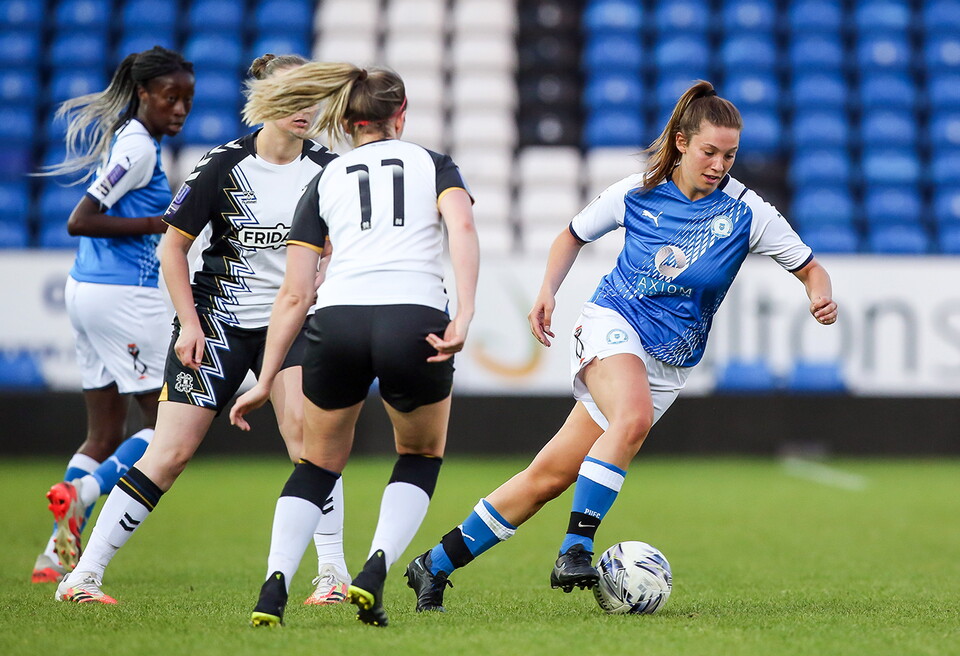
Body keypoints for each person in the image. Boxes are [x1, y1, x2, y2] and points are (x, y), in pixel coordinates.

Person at [403, 79, 839, 613]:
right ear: (681, 142)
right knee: (629, 419)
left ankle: (435, 563)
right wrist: (547, 291)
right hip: (612, 323)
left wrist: (821, 297)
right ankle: (576, 548)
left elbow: (809, 266)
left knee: (550, 476)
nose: (720, 164)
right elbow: (571, 235)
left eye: (729, 155)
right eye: (709, 152)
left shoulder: (749, 213)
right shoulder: (636, 191)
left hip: (668, 363)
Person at [54, 54, 350, 605]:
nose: (305, 108)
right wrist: (189, 324)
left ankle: (331, 576)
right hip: (217, 322)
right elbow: (173, 247)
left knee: (310, 443)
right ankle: (82, 577)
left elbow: (340, 246)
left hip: (293, 324)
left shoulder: (329, 170)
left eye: (312, 96)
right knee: (167, 454)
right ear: (264, 101)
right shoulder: (222, 165)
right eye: (292, 96)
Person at [226, 62, 479, 628]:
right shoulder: (432, 164)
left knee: (316, 463)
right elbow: (461, 228)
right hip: (412, 319)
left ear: (346, 119)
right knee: (418, 454)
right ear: (401, 115)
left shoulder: (324, 178)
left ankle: (273, 588)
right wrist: (463, 313)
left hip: (335, 321)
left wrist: (265, 379)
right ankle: (374, 570)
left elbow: (294, 293)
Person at [31, 46, 195, 584]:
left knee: (103, 432)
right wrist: (157, 225)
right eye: (170, 97)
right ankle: (83, 493)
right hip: (125, 296)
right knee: (166, 424)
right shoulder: (139, 150)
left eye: (188, 100)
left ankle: (55, 555)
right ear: (144, 93)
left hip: (86, 293)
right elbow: (82, 219)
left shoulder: (131, 141)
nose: (180, 109)